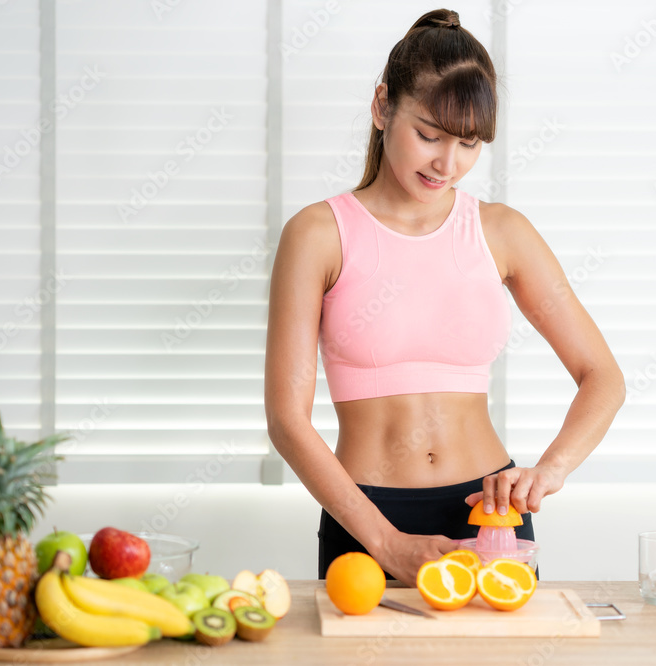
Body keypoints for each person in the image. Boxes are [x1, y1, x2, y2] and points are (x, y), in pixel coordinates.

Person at [264, 8, 625, 587]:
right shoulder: (318, 234)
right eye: (428, 136)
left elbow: (602, 375)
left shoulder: (502, 231)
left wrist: (550, 470)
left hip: (490, 515)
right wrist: (386, 542)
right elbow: (286, 420)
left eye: (468, 144)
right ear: (382, 107)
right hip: (367, 519)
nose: (446, 164)